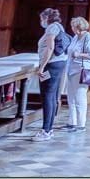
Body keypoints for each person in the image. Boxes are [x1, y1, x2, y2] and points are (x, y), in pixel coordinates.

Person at [35, 8, 71, 141]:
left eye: (42, 19)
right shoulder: (58, 26)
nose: (41, 21)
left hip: (51, 65)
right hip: (58, 63)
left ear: (47, 18)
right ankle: (48, 129)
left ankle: (46, 130)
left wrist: (42, 67)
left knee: (47, 96)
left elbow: (50, 48)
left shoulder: (51, 29)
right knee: (52, 96)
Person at [66, 17, 90, 133]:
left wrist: (78, 54)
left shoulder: (88, 38)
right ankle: (72, 122)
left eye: (73, 26)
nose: (72, 28)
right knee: (71, 97)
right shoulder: (75, 37)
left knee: (80, 98)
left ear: (78, 26)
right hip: (71, 70)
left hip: (82, 70)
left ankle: (81, 124)